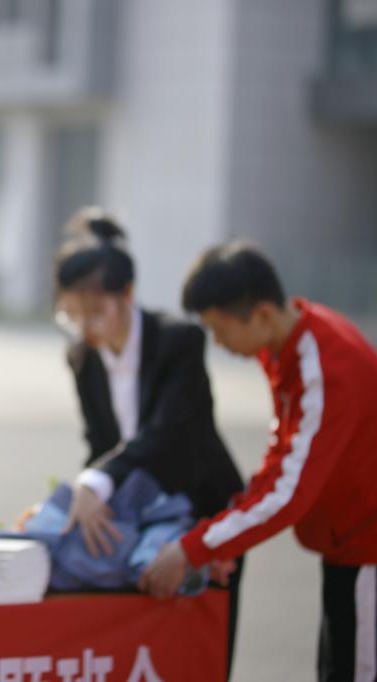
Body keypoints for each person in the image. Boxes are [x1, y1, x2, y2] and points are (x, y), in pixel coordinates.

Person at [141, 242, 377, 681]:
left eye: (219, 329)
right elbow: (283, 457)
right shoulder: (289, 344)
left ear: (261, 315)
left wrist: (193, 549)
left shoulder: (324, 369)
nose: (218, 344)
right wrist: (225, 535)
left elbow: (288, 494)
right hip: (351, 547)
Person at [52, 208, 245, 676]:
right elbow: (100, 444)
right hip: (139, 516)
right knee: (142, 645)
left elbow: (168, 434)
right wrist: (77, 499)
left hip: (203, 507)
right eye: (72, 315)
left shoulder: (179, 342)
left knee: (203, 647)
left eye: (95, 312)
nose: (86, 327)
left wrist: (96, 481)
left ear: (128, 294)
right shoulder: (83, 358)